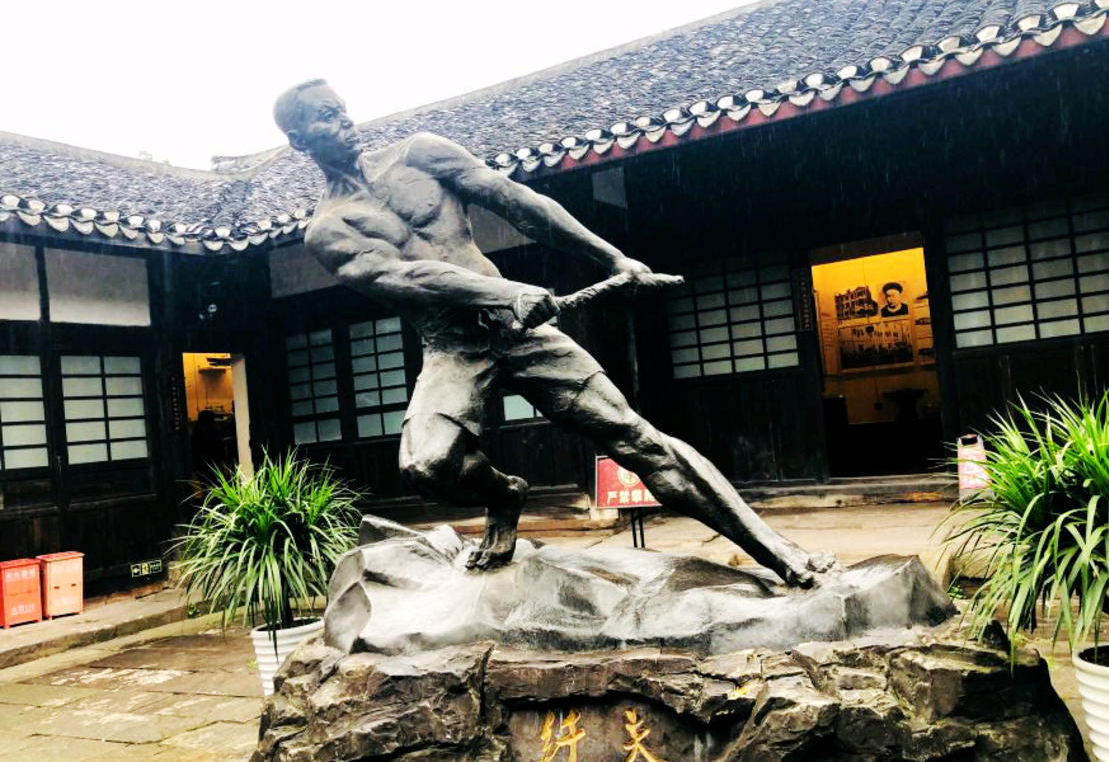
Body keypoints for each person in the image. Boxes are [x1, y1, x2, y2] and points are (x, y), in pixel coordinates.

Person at [274, 79, 832, 587]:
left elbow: (520, 202)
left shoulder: (419, 153)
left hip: (518, 330)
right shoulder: (328, 228)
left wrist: (613, 258)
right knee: (428, 466)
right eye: (326, 116)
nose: (344, 120)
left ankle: (778, 551)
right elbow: (405, 277)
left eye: (342, 109)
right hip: (453, 346)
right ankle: (504, 496)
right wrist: (503, 291)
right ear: (300, 141)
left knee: (636, 439)